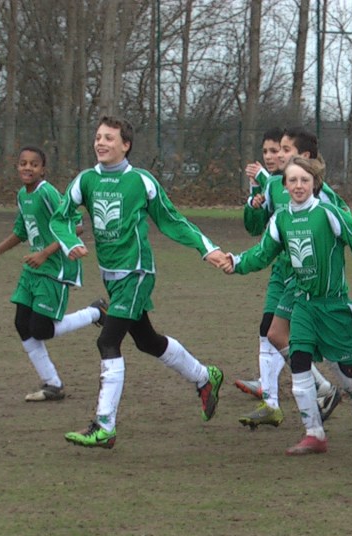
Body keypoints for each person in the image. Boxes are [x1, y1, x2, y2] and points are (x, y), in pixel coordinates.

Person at [49, 116, 225, 449]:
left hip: (137, 272)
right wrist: (69, 240)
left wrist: (207, 249)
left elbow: (172, 220)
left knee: (107, 342)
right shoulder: (85, 180)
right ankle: (205, 377)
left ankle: (104, 426)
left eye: (109, 138)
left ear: (125, 145)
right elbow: (60, 217)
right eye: (98, 137)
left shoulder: (141, 181)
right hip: (111, 274)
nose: (101, 143)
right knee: (146, 340)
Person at [217, 155, 352, 454]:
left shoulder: (328, 214)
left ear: (315, 183)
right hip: (303, 303)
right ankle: (314, 433)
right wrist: (237, 262)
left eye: (304, 180)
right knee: (300, 364)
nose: (298, 185)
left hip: (333, 306)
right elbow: (262, 253)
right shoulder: (281, 219)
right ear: (284, 184)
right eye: (292, 180)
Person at [233, 126, 352, 429]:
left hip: (307, 276)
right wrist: (253, 203)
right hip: (282, 271)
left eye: (284, 150)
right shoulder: (275, 184)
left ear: (307, 158)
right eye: (272, 151)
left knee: (316, 338)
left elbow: (346, 222)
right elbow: (257, 228)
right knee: (272, 331)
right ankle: (278, 399)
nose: (277, 156)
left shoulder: (320, 195)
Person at [0, 146, 106, 402]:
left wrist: (45, 253)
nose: (28, 168)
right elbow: (22, 231)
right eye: (23, 163)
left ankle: (96, 312)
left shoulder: (47, 192)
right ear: (17, 166)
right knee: (21, 324)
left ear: (43, 169)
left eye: (33, 164)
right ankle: (52, 384)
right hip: (33, 268)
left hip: (55, 267)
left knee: (41, 329)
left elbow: (76, 225)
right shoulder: (22, 195)